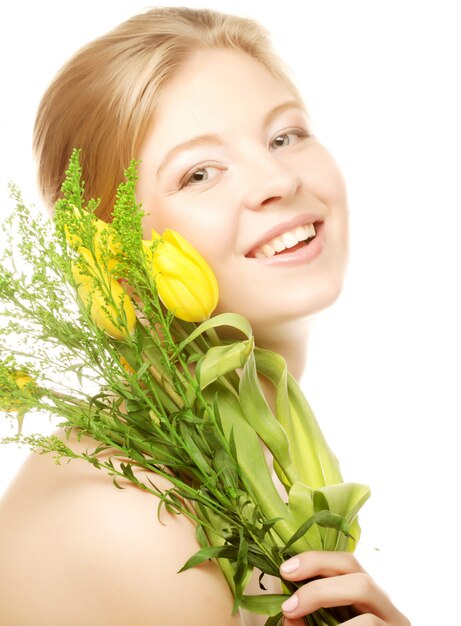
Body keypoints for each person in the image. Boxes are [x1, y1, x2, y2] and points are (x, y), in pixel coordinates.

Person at [0, 7, 410, 625]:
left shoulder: (252, 453)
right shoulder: (135, 519)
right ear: (115, 259)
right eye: (199, 173)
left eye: (284, 136)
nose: (276, 178)